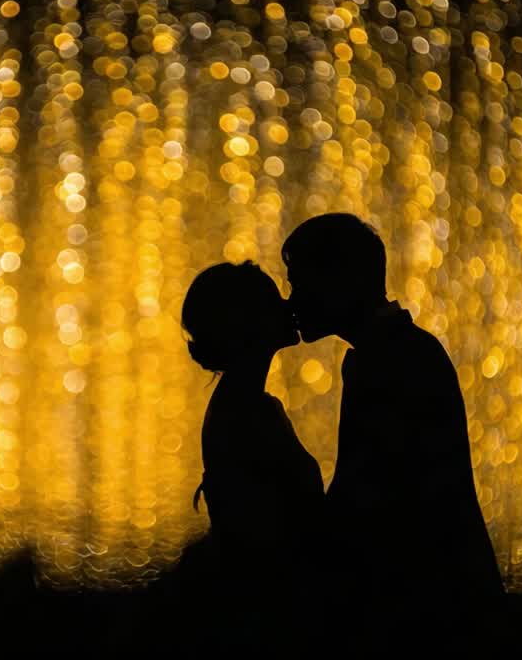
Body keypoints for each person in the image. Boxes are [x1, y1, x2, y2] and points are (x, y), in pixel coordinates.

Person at [281, 213, 505, 649]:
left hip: (427, 610)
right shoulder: (406, 348)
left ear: (341, 281)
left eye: (300, 284)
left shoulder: (381, 360)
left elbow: (364, 493)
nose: (292, 302)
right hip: (449, 596)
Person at [181, 260, 328, 652]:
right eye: (272, 300)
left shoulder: (238, 404)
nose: (288, 305)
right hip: (270, 622)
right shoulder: (250, 414)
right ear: (247, 323)